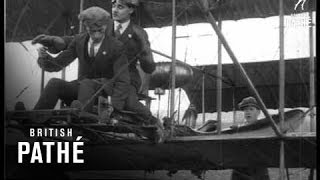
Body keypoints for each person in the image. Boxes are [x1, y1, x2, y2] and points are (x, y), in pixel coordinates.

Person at [32, 0, 165, 142]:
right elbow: (77, 40)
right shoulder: (102, 25)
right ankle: (33, 121)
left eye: (120, 6)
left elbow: (149, 68)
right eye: (113, 5)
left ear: (131, 10)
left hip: (123, 80)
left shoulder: (138, 33)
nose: (115, 9)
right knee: (60, 84)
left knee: (131, 103)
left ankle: (153, 123)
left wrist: (144, 49)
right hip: (92, 81)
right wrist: (54, 45)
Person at [34, 7, 130, 113]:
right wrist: (44, 57)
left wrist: (114, 107)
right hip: (81, 89)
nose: (97, 32)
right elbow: (57, 64)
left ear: (106, 25)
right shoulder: (78, 41)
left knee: (87, 84)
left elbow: (123, 81)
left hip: (104, 93)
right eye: (92, 28)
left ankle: (81, 115)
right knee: (54, 83)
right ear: (85, 26)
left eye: (100, 28)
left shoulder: (116, 46)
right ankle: (36, 116)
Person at [231, 96, 270, 180]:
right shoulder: (238, 128)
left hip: (259, 169)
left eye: (251, 109)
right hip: (240, 170)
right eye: (245, 110)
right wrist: (234, 133)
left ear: (258, 112)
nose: (248, 112)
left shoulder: (264, 127)